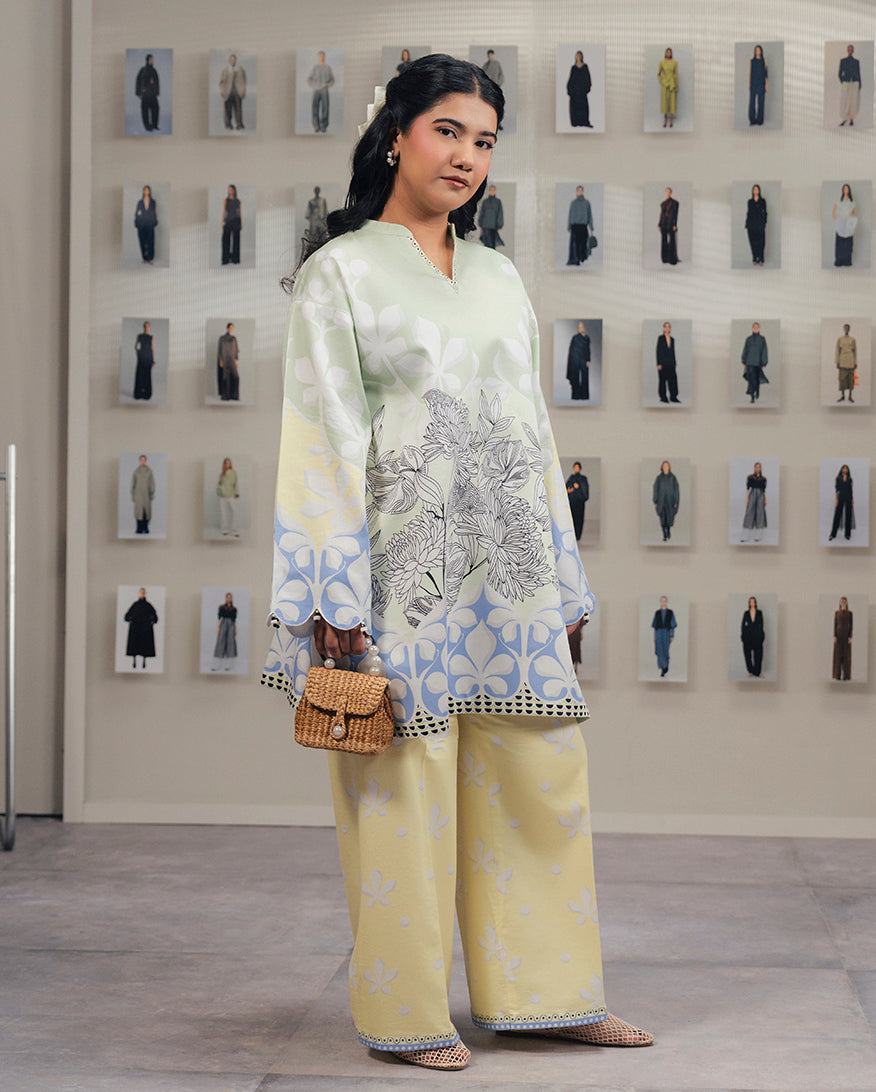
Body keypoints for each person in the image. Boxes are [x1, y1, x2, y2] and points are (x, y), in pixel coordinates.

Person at [263, 53, 652, 1072]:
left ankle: (551, 997)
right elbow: (319, 439)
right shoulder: (340, 273)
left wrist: (564, 577)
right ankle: (409, 1016)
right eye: (448, 131)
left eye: (484, 140)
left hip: (512, 577)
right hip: (401, 579)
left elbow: (535, 434)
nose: (467, 156)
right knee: (403, 788)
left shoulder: (498, 276)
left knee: (541, 780)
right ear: (394, 134)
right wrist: (331, 595)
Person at [124, 588, 158, 669]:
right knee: (135, 646)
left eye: (143, 593)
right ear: (139, 593)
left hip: (145, 629)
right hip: (136, 628)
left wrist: (152, 621)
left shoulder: (148, 605)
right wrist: (130, 620)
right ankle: (134, 661)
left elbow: (155, 617)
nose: (142, 594)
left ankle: (144, 661)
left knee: (144, 646)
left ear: (145, 594)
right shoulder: (135, 605)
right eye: (141, 593)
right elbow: (127, 616)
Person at [741, 322, 768, 403]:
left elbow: (764, 351)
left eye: (757, 327)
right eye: (754, 327)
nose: (756, 329)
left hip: (758, 362)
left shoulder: (762, 339)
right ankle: (752, 396)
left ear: (759, 328)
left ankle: (757, 390)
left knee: (756, 379)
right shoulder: (748, 339)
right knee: (751, 380)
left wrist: (764, 362)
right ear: (752, 328)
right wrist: (744, 361)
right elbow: (745, 350)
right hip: (749, 362)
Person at [308, 51, 334, 133]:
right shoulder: (315, 68)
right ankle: (316, 126)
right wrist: (314, 85)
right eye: (320, 56)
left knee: (325, 107)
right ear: (318, 57)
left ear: (324, 57)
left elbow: (332, 80)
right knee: (314, 107)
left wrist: (326, 85)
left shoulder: (327, 68)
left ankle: (324, 126)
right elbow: (309, 79)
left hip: (324, 90)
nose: (321, 57)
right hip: (316, 90)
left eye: (323, 56)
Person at [652, 461, 679, 542]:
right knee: (662, 518)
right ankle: (664, 534)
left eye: (667, 466)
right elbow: (655, 489)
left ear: (669, 467)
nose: (665, 467)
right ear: (662, 467)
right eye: (664, 466)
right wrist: (655, 501)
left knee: (669, 517)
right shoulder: (659, 478)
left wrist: (676, 501)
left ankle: (668, 531)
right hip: (661, 501)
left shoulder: (672, 478)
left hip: (670, 501)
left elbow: (676, 490)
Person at [219, 53, 247, 130]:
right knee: (227, 110)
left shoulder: (241, 70)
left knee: (238, 109)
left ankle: (239, 125)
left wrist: (243, 91)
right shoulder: (225, 70)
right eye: (231, 59)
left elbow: (244, 81)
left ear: (236, 60)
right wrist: (223, 91)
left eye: (234, 59)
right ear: (229, 60)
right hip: (228, 93)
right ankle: (228, 125)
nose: (232, 61)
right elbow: (221, 82)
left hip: (237, 93)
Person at [741, 461, 766, 543]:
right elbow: (748, 488)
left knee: (760, 515)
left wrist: (765, 499)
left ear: (761, 468)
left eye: (759, 467)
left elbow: (764, 490)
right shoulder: (750, 477)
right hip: (752, 495)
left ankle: (757, 536)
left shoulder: (763, 479)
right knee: (749, 514)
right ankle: (744, 536)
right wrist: (747, 498)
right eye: (756, 467)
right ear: (754, 468)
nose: (758, 468)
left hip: (760, 496)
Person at [212, 592, 238, 671]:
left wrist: (235, 629)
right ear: (226, 598)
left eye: (230, 597)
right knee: (220, 643)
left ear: (232, 598)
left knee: (230, 644)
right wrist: (218, 627)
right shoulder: (222, 607)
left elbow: (234, 620)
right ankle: (216, 665)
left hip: (231, 626)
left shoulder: (234, 609)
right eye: (227, 597)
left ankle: (228, 665)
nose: (229, 599)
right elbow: (219, 618)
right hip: (223, 625)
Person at [567, 185, 593, 265]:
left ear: (583, 191)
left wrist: (591, 227)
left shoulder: (587, 203)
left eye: (581, 190)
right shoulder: (573, 203)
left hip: (583, 226)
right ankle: (576, 260)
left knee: (583, 243)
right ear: (576, 192)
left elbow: (590, 215)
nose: (579, 192)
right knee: (575, 244)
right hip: (575, 226)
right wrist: (569, 227)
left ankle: (582, 258)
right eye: (578, 190)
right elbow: (570, 215)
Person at [655, 321, 680, 403]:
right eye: (665, 326)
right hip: (663, 363)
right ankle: (663, 397)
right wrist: (658, 363)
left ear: (670, 329)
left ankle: (673, 397)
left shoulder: (672, 339)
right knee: (662, 380)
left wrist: (675, 363)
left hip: (671, 363)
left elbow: (673, 352)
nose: (667, 328)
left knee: (673, 380)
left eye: (669, 327)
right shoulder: (660, 338)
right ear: (663, 328)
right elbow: (658, 351)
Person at [829, 464, 855, 541]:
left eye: (846, 469)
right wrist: (836, 499)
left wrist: (852, 499)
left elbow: (851, 489)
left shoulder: (850, 479)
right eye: (844, 468)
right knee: (837, 515)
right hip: (841, 497)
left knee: (848, 515)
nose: (845, 470)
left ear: (848, 470)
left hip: (848, 497)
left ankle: (847, 534)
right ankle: (833, 534)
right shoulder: (838, 478)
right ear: (841, 469)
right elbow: (837, 489)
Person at [832, 184, 856, 268]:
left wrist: (853, 222)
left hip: (848, 224)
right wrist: (836, 220)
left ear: (849, 190)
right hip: (841, 224)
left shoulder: (852, 203)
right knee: (840, 243)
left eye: (847, 189)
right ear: (843, 190)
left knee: (848, 243)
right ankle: (839, 260)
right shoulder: (839, 202)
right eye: (844, 189)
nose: (846, 190)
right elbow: (834, 211)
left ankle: (847, 260)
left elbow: (853, 213)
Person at [651, 596, 676, 677]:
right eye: (662, 601)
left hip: (666, 633)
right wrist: (654, 636)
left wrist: (672, 635)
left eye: (665, 601)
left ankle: (666, 665)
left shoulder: (670, 612)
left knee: (665, 650)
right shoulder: (657, 612)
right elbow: (655, 626)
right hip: (658, 633)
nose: (663, 602)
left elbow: (672, 626)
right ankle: (662, 668)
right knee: (660, 650)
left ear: (666, 602)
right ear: (660, 602)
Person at [134, 53, 160, 131]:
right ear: (147, 60)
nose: (152, 61)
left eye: (152, 59)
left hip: (152, 94)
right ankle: (147, 126)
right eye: (150, 59)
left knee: (156, 108)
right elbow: (138, 81)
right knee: (145, 111)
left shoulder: (154, 70)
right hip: (145, 94)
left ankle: (154, 125)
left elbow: (157, 82)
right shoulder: (143, 70)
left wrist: (157, 91)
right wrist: (138, 92)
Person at [566, 51, 593, 127]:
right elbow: (571, 79)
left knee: (583, 107)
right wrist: (570, 89)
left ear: (582, 57)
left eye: (580, 56)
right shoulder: (573, 68)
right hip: (575, 92)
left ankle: (584, 122)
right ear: (575, 57)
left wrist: (585, 89)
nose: (578, 57)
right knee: (575, 107)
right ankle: (575, 122)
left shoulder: (585, 67)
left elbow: (588, 78)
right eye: (577, 56)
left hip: (582, 92)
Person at [131, 454, 155, 535]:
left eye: (144, 460)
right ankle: (139, 528)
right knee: (139, 512)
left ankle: (146, 528)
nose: (143, 461)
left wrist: (152, 494)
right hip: (138, 495)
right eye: (141, 460)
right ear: (139, 461)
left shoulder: (149, 471)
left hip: (146, 494)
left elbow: (152, 483)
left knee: (146, 512)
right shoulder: (136, 471)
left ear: (146, 461)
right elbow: (133, 484)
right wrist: (133, 495)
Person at [740, 597, 764, 678]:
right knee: (748, 655)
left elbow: (761, 625)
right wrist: (743, 636)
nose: (752, 603)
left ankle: (757, 672)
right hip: (748, 637)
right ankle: (750, 671)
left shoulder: (759, 613)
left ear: (755, 603)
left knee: (758, 655)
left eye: (753, 602)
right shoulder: (746, 613)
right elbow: (743, 626)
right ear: (749, 603)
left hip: (757, 637)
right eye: (750, 602)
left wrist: (761, 636)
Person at [838, 44, 861, 126]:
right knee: (845, 100)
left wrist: (859, 84)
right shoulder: (843, 61)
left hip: (854, 82)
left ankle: (851, 119)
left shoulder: (856, 62)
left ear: (853, 51)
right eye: (849, 49)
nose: (850, 51)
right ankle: (844, 118)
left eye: (851, 50)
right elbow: (840, 73)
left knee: (853, 100)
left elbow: (858, 73)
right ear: (847, 50)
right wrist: (843, 81)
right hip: (846, 82)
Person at [565, 461, 589, 540]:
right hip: (572, 501)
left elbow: (584, 489)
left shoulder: (583, 478)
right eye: (575, 467)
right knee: (571, 518)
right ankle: (572, 535)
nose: (576, 469)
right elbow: (567, 487)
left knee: (579, 519)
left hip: (579, 502)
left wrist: (578, 487)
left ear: (580, 468)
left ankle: (578, 536)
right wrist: (568, 490)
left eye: (577, 467)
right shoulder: (571, 477)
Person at [134, 185, 158, 264]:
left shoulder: (153, 202)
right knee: (142, 241)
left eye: (148, 190)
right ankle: (144, 258)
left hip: (150, 224)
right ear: (143, 191)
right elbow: (137, 213)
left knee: (150, 241)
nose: (146, 191)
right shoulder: (140, 202)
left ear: (149, 191)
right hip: (141, 224)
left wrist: (154, 222)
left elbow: (154, 213)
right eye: (145, 190)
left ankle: (150, 258)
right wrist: (137, 222)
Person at [566, 321, 591, 400]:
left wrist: (588, 360)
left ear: (584, 328)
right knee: (575, 377)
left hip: (584, 360)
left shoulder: (587, 338)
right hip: (575, 360)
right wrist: (572, 360)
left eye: (581, 327)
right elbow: (571, 350)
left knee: (585, 377)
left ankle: (584, 395)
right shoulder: (574, 338)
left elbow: (588, 350)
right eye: (579, 328)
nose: (580, 329)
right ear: (577, 329)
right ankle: (575, 395)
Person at [216, 322, 240, 401]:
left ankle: (234, 395)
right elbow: (219, 350)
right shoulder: (222, 338)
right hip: (225, 360)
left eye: (232, 328)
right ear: (227, 328)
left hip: (232, 360)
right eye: (230, 327)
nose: (231, 329)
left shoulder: (234, 338)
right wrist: (220, 360)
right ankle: (226, 396)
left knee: (235, 376)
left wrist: (236, 360)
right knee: (225, 377)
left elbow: (236, 350)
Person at [216, 456, 240, 536]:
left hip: (231, 495)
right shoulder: (222, 474)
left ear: (230, 464)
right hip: (223, 496)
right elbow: (219, 484)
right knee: (224, 513)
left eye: (229, 463)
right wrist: (220, 490)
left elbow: (236, 483)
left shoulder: (233, 472)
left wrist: (236, 493)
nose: (228, 464)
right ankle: (224, 530)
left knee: (235, 512)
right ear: (224, 464)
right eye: (226, 463)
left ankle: (234, 530)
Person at [745, 184, 767, 265]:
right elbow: (748, 213)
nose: (755, 191)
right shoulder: (750, 202)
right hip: (751, 224)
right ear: (752, 191)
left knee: (761, 242)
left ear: (759, 191)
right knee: (753, 242)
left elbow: (765, 213)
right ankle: (754, 258)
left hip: (760, 224)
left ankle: (761, 259)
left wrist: (764, 222)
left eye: (757, 189)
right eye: (754, 189)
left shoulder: (763, 201)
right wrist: (747, 223)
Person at [835, 323, 857, 402]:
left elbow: (855, 352)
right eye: (845, 328)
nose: (846, 329)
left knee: (851, 379)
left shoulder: (853, 339)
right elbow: (837, 350)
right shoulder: (840, 339)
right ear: (843, 329)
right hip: (842, 361)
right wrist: (837, 361)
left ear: (849, 329)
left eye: (847, 328)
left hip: (850, 361)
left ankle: (850, 396)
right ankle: (843, 396)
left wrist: (855, 362)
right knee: (842, 379)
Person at [477, 184, 504, 249]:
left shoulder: (498, 202)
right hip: (485, 225)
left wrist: (499, 224)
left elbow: (500, 213)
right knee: (486, 243)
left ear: (495, 191)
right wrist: (480, 224)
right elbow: (482, 213)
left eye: (493, 190)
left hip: (493, 226)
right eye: (490, 190)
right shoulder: (485, 202)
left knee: (492, 243)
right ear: (489, 191)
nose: (492, 191)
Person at [133, 321, 155, 400]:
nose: (146, 328)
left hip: (148, 359)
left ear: (149, 327)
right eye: (145, 326)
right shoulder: (139, 336)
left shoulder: (151, 337)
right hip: (141, 359)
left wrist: (153, 360)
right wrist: (139, 354)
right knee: (139, 376)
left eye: (147, 326)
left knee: (147, 377)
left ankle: (147, 394)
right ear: (143, 327)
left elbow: (152, 349)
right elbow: (136, 347)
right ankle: (138, 394)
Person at [832, 597, 853, 680]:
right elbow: (835, 624)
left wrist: (850, 636)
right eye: (842, 601)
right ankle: (837, 675)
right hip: (838, 636)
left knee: (846, 656)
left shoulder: (850, 613)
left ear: (847, 602)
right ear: (840, 603)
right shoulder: (837, 613)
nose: (843, 602)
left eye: (845, 601)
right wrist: (834, 636)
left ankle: (846, 676)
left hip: (846, 636)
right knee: (838, 655)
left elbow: (851, 625)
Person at [657, 48, 678, 127]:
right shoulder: (661, 62)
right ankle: (665, 120)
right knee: (665, 103)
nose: (668, 53)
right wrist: (663, 82)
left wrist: (677, 86)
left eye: (670, 52)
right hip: (665, 85)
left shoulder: (675, 62)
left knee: (672, 102)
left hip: (672, 84)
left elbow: (676, 75)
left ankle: (671, 120)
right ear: (665, 53)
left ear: (671, 54)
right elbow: (658, 74)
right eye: (667, 52)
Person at [221, 184, 242, 265]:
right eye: (229, 190)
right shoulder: (225, 200)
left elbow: (239, 212)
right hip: (228, 221)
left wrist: (241, 223)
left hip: (236, 221)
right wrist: (222, 222)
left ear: (234, 190)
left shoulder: (238, 201)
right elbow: (224, 212)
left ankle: (235, 259)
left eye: (231, 190)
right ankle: (226, 259)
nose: (230, 191)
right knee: (226, 240)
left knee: (236, 241)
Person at [658, 187, 679, 265]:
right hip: (664, 223)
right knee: (664, 240)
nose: (668, 193)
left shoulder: (675, 203)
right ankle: (665, 258)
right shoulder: (663, 203)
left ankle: (672, 259)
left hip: (671, 223)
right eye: (666, 191)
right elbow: (661, 214)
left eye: (669, 192)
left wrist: (675, 224)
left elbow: (675, 214)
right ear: (665, 192)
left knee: (672, 240)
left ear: (671, 193)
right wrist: (659, 224)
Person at [748, 45, 767, 126]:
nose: (757, 52)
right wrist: (749, 83)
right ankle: (752, 120)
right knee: (752, 102)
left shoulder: (764, 61)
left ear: (761, 51)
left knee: (761, 102)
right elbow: (750, 73)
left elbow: (766, 74)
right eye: (756, 50)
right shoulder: (751, 61)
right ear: (755, 52)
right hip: (753, 83)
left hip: (761, 83)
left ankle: (760, 120)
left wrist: (766, 84)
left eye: (759, 50)